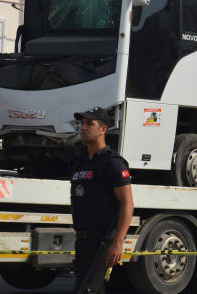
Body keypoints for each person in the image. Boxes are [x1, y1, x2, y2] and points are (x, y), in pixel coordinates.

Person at [71, 107, 134, 294]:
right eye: (81, 123)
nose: (83, 127)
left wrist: (118, 242)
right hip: (82, 241)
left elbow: (127, 203)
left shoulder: (112, 163)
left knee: (88, 289)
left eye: (89, 123)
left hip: (102, 241)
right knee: (91, 289)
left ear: (103, 129)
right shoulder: (80, 161)